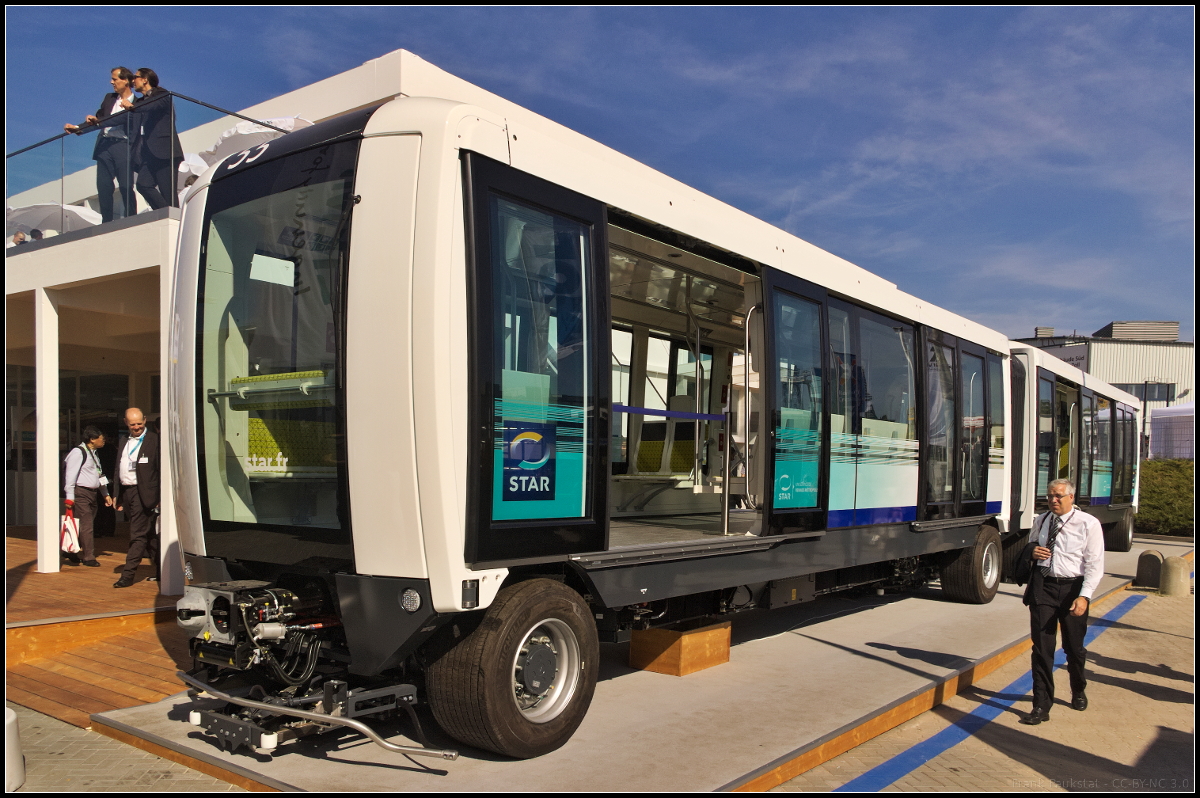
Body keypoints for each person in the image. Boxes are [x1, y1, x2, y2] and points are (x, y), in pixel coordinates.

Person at [1020, 478, 1104, 725]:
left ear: (1071, 498)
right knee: (1042, 649)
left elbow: (1095, 564)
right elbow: (1031, 544)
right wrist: (1033, 551)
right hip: (1044, 587)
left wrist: (1084, 596)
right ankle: (1041, 705)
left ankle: (1078, 688)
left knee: (1074, 648)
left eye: (1058, 496)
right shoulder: (1042, 520)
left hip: (1072, 589)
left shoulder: (1088, 524)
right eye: (1050, 496)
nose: (1053, 500)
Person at [64, 67, 137, 223]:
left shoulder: (137, 103)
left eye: (115, 79)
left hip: (123, 146)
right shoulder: (109, 98)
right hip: (104, 145)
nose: (112, 82)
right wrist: (78, 128)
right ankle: (107, 222)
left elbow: (124, 122)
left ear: (125, 81)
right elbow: (98, 119)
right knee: (104, 187)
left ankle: (132, 219)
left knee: (125, 186)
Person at [121, 68, 183, 210]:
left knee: (168, 193)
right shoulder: (141, 102)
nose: (132, 81)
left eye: (135, 77)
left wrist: (133, 106)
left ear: (145, 79)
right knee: (143, 185)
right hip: (148, 154)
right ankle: (165, 213)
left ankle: (174, 220)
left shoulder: (162, 94)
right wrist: (95, 122)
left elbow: (153, 105)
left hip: (165, 152)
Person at [113, 407, 161, 588]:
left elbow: (160, 469)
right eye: (132, 424)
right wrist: (117, 495)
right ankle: (161, 571)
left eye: (139, 423)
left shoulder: (155, 441)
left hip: (147, 493)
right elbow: (118, 468)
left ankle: (127, 575)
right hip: (128, 493)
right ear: (126, 423)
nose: (137, 427)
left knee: (137, 534)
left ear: (145, 420)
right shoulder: (124, 440)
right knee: (149, 536)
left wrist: (160, 496)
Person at [62, 425, 113, 568]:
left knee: (82, 524)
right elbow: (70, 476)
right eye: (101, 439)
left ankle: (71, 550)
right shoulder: (78, 453)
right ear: (92, 439)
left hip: (92, 493)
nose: (104, 441)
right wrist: (70, 497)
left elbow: (98, 474)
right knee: (87, 525)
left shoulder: (94, 453)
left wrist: (105, 494)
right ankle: (88, 556)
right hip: (81, 493)